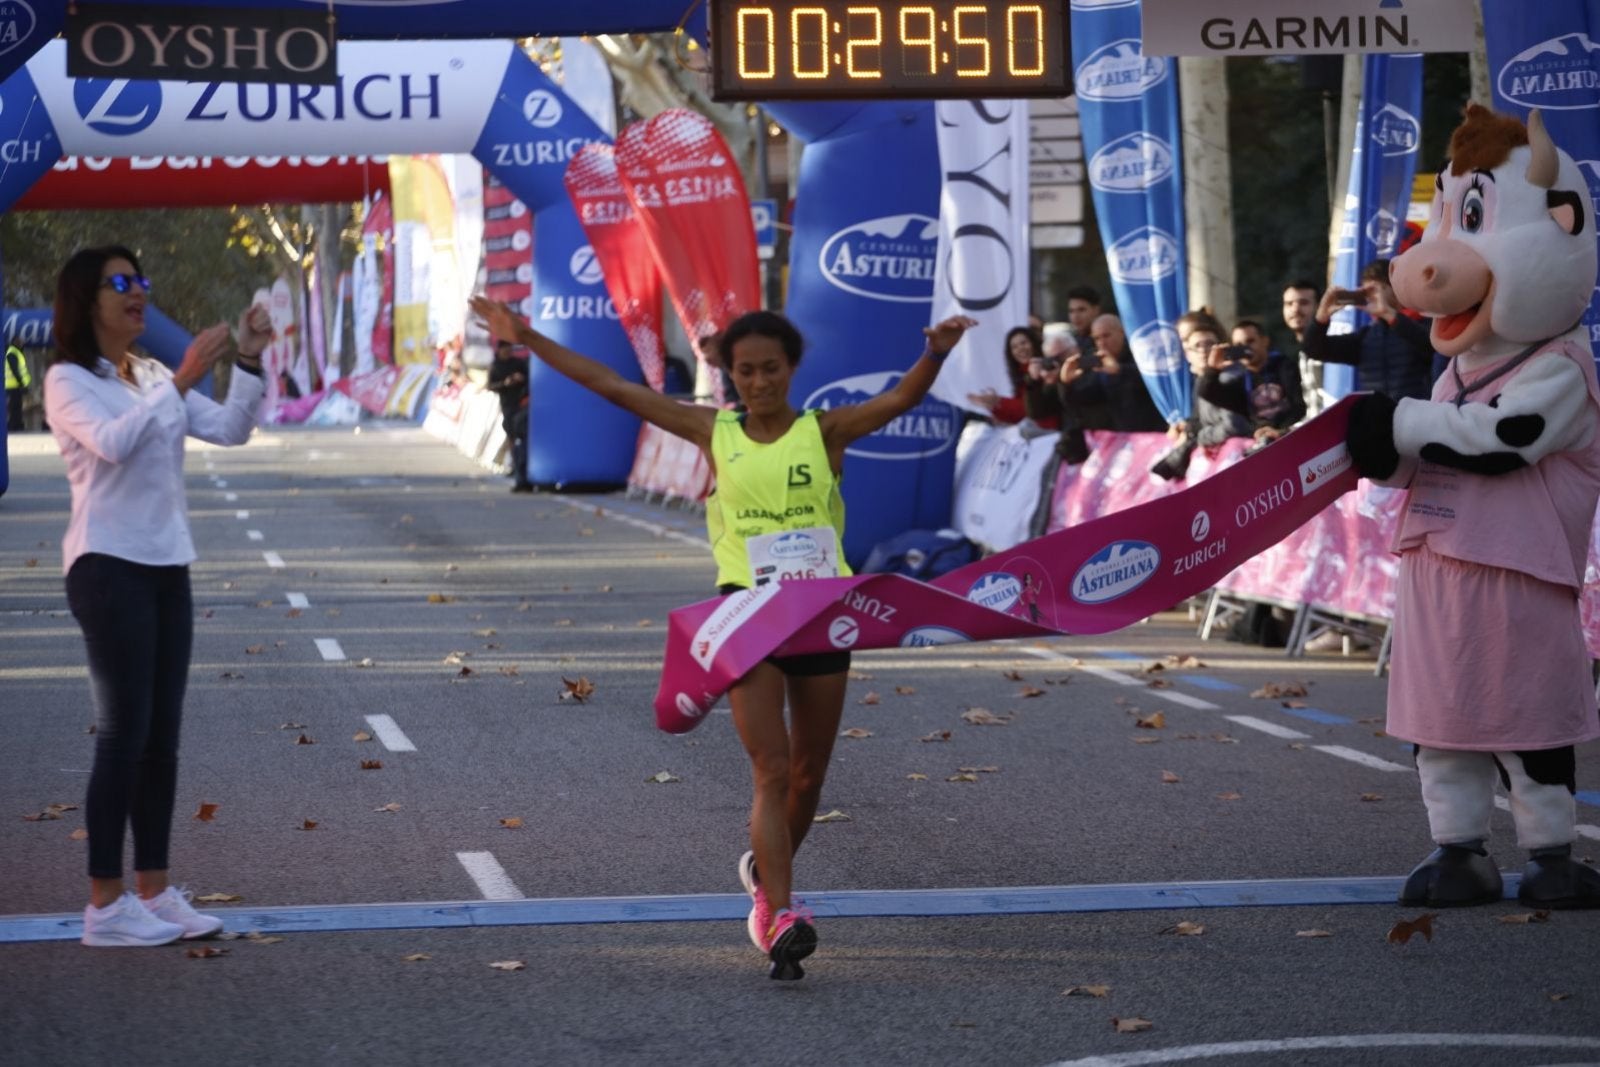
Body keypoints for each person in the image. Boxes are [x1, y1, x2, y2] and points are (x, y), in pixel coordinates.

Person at [471, 294, 975, 980]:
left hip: (824, 612)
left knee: (807, 776)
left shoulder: (823, 431)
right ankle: (782, 913)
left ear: (791, 369)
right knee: (770, 767)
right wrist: (523, 333)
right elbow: (609, 384)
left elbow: (900, 398)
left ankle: (766, 886)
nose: (759, 382)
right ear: (730, 374)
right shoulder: (715, 431)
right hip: (746, 615)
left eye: (771, 369)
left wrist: (937, 350)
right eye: (746, 371)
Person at [44, 246, 272, 948]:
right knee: (122, 735)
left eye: (141, 279)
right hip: (108, 566)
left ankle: (152, 889)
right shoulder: (66, 380)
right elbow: (112, 443)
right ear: (86, 301)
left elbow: (232, 430)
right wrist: (180, 381)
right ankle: (104, 904)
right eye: (121, 282)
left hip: (168, 564)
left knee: (160, 741)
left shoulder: (146, 373)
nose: (138, 291)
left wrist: (250, 361)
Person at [1303, 259, 1435, 400]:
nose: (1371, 297)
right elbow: (1314, 349)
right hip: (1377, 418)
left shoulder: (1425, 323)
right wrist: (1321, 317)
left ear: (1395, 288)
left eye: (1376, 290)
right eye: (1366, 292)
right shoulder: (1365, 337)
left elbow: (1431, 347)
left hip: (1417, 415)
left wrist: (1387, 312)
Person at [1198, 319, 1307, 444]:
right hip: (1262, 443)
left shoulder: (1285, 367)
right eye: (1238, 345)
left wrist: (1281, 431)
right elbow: (1206, 391)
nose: (1245, 348)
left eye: (1250, 341)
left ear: (1265, 341)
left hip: (1292, 436)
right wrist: (1213, 369)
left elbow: (1299, 406)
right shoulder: (1241, 381)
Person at [967, 326, 1059, 432]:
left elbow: (1031, 410)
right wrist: (995, 408)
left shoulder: (1048, 368)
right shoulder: (1020, 375)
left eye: (1023, 343)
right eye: (1014, 347)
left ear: (1034, 343)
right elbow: (1019, 415)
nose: (1020, 348)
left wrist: (999, 402)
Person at [486, 339, 533, 492]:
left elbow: (530, 378)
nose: (507, 352)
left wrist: (521, 379)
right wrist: (505, 384)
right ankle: (516, 465)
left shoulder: (518, 363)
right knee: (512, 436)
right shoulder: (495, 366)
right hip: (507, 405)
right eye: (505, 349)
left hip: (522, 404)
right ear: (499, 350)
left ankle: (521, 469)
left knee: (521, 435)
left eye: (509, 349)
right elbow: (490, 386)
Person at [1281, 279, 1324, 417]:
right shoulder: (1302, 354)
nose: (1295, 309)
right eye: (1289, 304)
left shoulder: (1330, 347)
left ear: (1319, 307)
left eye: (1304, 303)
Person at [1065, 285, 1102, 358]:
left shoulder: (1108, 339)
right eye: (1071, 311)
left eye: (1081, 310)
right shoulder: (1070, 343)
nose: (1075, 316)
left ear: (1096, 310)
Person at [6, 341, 31, 431]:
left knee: (17, 407)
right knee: (14, 407)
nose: (22, 343)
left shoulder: (16, 352)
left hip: (15, 386)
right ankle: (14, 426)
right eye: (19, 342)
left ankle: (17, 424)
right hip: (13, 386)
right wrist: (22, 384)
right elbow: (15, 370)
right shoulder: (12, 353)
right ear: (15, 342)